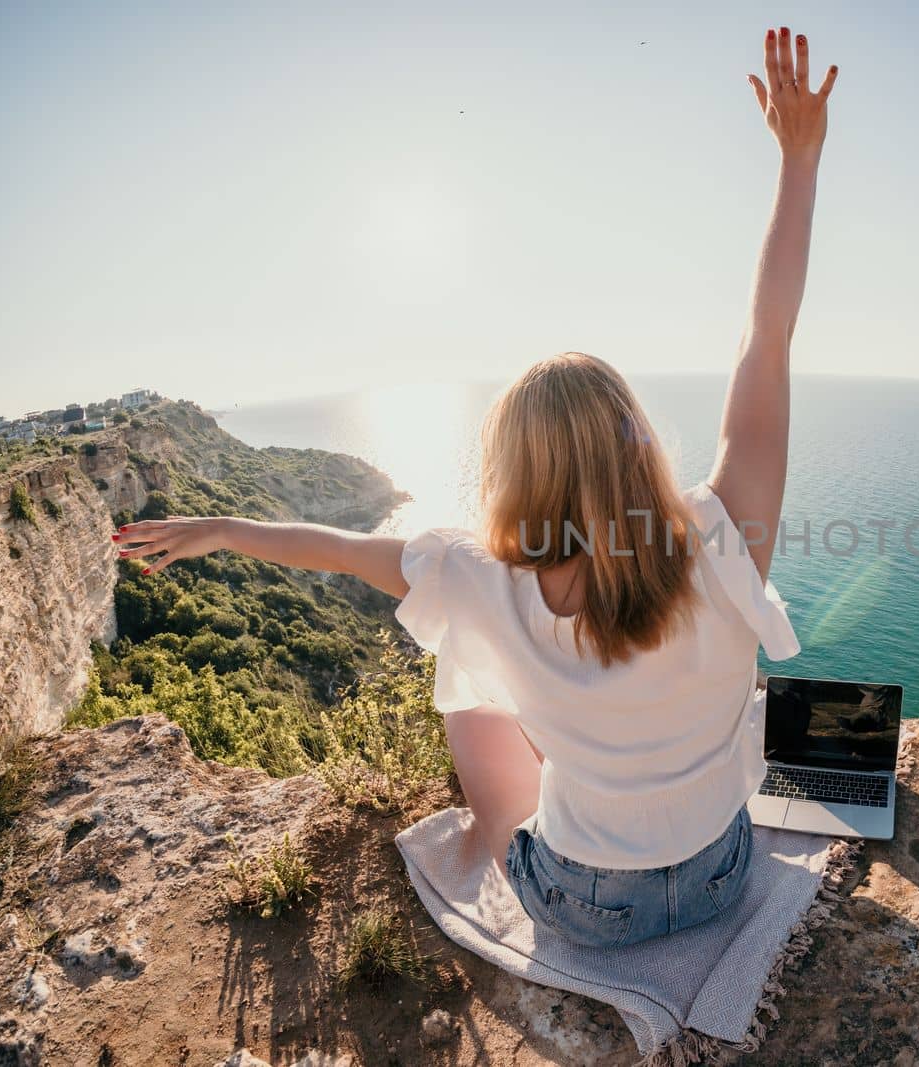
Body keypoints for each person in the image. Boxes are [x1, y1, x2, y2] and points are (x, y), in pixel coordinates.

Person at [111, 25, 837, 950]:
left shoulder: (478, 580)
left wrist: (216, 525)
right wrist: (800, 158)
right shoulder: (724, 533)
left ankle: (496, 828)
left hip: (584, 903)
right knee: (487, 671)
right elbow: (764, 337)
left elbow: (327, 549)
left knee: (471, 686)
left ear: (518, 473)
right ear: (637, 442)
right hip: (720, 877)